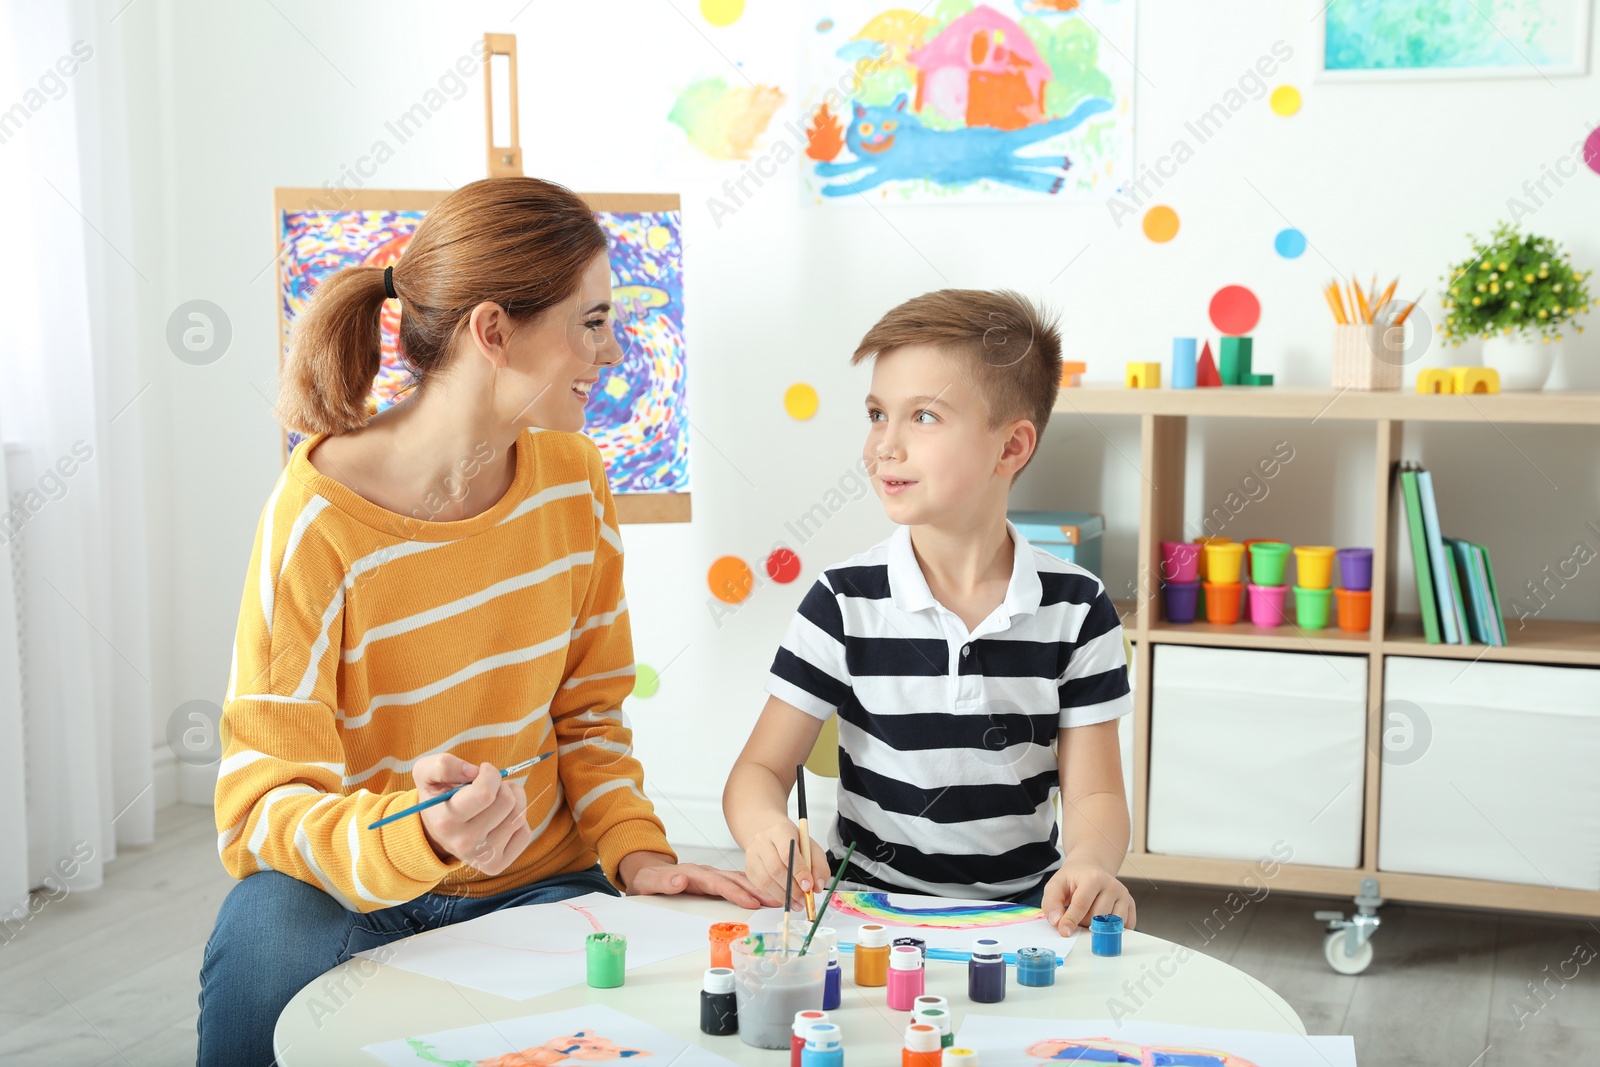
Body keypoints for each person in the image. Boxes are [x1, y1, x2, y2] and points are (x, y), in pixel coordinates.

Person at [198, 177, 769, 1067]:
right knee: (267, 934)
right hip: (351, 888)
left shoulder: (576, 480)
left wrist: (637, 852)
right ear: (494, 332)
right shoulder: (317, 517)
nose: (612, 351)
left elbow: (590, 722)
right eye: (591, 321)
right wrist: (414, 834)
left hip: (533, 883)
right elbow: (261, 806)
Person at [723, 289, 1136, 934]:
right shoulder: (843, 601)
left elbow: (1096, 795)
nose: (885, 445)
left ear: (1011, 448)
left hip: (1024, 919)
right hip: (865, 914)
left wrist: (1088, 862)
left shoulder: (1078, 609)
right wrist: (766, 830)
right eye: (876, 413)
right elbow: (759, 770)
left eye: (923, 417)